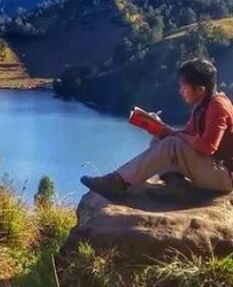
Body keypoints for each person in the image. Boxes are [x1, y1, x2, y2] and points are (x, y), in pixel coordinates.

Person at [81, 58, 233, 201]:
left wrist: (173, 134)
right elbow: (188, 135)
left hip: (224, 176)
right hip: (212, 168)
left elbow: (207, 147)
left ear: (200, 89)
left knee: (171, 143)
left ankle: (118, 182)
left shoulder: (218, 107)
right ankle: (176, 185)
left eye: (184, 86)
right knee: (161, 139)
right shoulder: (202, 105)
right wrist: (161, 127)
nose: (180, 91)